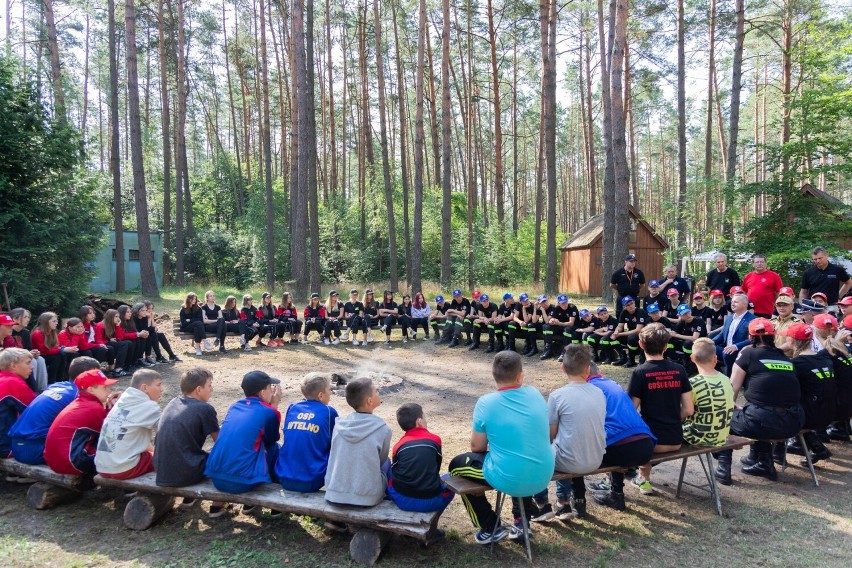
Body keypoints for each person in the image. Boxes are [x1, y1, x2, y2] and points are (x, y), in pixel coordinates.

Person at [448, 352, 554, 544]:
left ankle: (490, 525)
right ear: (520, 375)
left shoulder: (486, 403)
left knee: (456, 466)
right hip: (544, 473)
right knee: (515, 455)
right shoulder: (535, 394)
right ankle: (522, 521)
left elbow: (477, 447)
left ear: (493, 375)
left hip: (511, 475)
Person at [714, 319, 805, 482]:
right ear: (773, 336)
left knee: (727, 416)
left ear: (750, 337)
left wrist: (729, 407)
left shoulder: (748, 353)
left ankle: (723, 468)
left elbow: (731, 389)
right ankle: (764, 463)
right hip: (794, 422)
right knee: (755, 411)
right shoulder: (784, 356)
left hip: (765, 421)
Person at [531, 345, 606, 522]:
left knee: (538, 452)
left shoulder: (558, 396)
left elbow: (550, 435)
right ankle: (563, 502)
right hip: (596, 459)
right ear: (588, 369)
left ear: (563, 368)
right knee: (562, 447)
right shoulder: (599, 392)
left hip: (571, 462)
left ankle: (543, 505)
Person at [626, 324, 693, 495]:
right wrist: (673, 421)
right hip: (676, 439)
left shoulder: (640, 372)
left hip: (652, 442)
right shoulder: (679, 370)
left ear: (640, 345)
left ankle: (643, 479)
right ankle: (640, 475)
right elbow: (689, 410)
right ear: (666, 346)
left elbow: (630, 412)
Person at [586, 363, 657, 511]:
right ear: (600, 372)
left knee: (584, 450)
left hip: (623, 450)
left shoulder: (588, 390)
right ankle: (616, 494)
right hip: (646, 446)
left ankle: (575, 502)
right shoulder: (613, 384)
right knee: (616, 439)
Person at [153, 367, 223, 514]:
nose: (212, 389)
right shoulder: (205, 409)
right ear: (198, 389)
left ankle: (189, 498)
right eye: (209, 385)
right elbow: (221, 442)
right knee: (222, 455)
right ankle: (219, 502)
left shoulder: (173, 402)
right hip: (185, 473)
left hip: (161, 470)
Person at [8, 357, 98, 468]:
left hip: (17, 446)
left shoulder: (56, 386)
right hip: (35, 449)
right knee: (91, 434)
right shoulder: (77, 395)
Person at [204, 371, 282, 493]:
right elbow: (271, 439)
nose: (272, 392)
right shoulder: (269, 412)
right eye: (269, 388)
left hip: (216, 478)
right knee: (275, 448)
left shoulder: (234, 406)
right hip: (242, 483)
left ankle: (217, 505)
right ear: (262, 392)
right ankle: (274, 502)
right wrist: (274, 405)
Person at [324, 377, 392, 507]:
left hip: (334, 493)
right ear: (369, 401)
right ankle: (389, 503)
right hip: (368, 497)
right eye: (376, 391)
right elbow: (381, 461)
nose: (379, 393)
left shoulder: (339, 424)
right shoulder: (383, 428)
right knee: (388, 463)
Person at [43, 369, 121, 476]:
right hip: (71, 462)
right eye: (104, 387)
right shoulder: (93, 408)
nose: (109, 390)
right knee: (120, 446)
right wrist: (119, 407)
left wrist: (109, 406)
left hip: (56, 460)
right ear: (91, 390)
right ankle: (128, 487)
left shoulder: (81, 402)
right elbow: (114, 431)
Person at [275, 372, 339, 492]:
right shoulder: (329, 412)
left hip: (283, 477)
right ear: (320, 395)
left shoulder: (292, 407)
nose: (331, 393)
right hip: (312, 480)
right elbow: (335, 445)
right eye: (329, 390)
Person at [783, 323, 837, 464]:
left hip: (812, 417)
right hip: (830, 414)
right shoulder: (824, 357)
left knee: (778, 410)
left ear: (792, 341)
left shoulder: (795, 364)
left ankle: (774, 455)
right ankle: (818, 448)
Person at [95, 369, 163, 480]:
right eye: (159, 385)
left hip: (102, 466)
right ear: (145, 387)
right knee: (167, 459)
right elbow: (168, 432)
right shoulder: (149, 406)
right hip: (124, 468)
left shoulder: (121, 401)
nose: (162, 389)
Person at [387, 403, 454, 513]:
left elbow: (395, 471)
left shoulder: (398, 445)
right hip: (430, 500)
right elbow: (436, 467)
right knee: (450, 481)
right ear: (419, 421)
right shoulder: (435, 440)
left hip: (402, 500)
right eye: (424, 417)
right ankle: (434, 519)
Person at [683, 339, 734, 448]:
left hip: (696, 437)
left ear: (692, 358)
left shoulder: (692, 383)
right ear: (715, 358)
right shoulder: (726, 380)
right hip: (721, 437)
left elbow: (685, 411)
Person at [0, 348, 37, 458]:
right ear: (13, 365)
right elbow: (37, 410)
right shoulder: (12, 383)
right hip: (5, 447)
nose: (32, 366)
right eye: (28, 363)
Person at [713, 293, 756, 375]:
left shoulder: (753, 320)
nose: (732, 304)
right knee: (706, 348)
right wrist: (708, 342)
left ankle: (730, 379)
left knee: (727, 353)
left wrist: (736, 346)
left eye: (735, 302)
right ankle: (719, 375)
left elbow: (753, 340)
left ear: (744, 304)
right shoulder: (730, 318)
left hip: (741, 351)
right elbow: (722, 335)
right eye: (732, 302)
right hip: (726, 349)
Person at [7, 308, 49, 392]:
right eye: (25, 317)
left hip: (24, 356)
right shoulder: (8, 332)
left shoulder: (26, 332)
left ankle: (42, 389)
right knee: (32, 361)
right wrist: (28, 354)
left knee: (40, 359)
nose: (28, 319)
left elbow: (28, 348)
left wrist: (34, 352)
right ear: (15, 318)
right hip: (13, 358)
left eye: (29, 317)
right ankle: (31, 389)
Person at [95, 309, 134, 378]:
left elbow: (120, 338)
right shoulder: (100, 325)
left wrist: (118, 326)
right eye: (116, 317)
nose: (118, 319)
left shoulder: (114, 325)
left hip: (109, 343)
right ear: (110, 317)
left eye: (118, 317)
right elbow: (98, 340)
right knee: (123, 344)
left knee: (129, 343)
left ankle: (127, 366)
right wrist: (108, 341)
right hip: (103, 345)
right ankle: (118, 369)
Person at [611, 296, 648, 368]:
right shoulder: (624, 312)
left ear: (634, 303)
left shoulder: (641, 312)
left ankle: (634, 360)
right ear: (624, 307)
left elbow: (638, 330)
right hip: (630, 334)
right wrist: (616, 332)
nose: (631, 306)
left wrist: (620, 334)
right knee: (611, 337)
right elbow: (620, 326)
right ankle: (623, 358)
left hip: (642, 335)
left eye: (631, 303)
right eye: (628, 305)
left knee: (631, 338)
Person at [670, 304, 707, 373]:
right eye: (684, 314)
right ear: (679, 315)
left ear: (690, 311)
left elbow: (694, 338)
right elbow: (674, 332)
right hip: (685, 344)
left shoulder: (698, 321)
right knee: (669, 340)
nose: (687, 315)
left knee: (688, 343)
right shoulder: (681, 322)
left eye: (688, 312)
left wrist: (677, 335)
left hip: (699, 345)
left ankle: (689, 366)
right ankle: (672, 360)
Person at [541, 295, 578, 361]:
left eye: (565, 302)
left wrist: (559, 323)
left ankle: (565, 352)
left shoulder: (572, 307)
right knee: (547, 327)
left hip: (572, 327)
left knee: (567, 329)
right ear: (558, 303)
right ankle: (548, 350)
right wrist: (551, 321)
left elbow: (571, 323)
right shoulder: (556, 308)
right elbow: (549, 320)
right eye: (562, 303)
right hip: (561, 326)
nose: (564, 304)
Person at [31, 312, 64, 383]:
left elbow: (55, 346)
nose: (56, 323)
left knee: (63, 355)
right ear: (46, 322)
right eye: (54, 321)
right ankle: (50, 382)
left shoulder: (52, 332)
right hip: (40, 355)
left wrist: (62, 350)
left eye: (57, 321)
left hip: (47, 354)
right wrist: (62, 349)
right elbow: (45, 351)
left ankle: (60, 381)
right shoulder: (37, 333)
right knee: (57, 357)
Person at [611, 254, 646, 318]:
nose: (633, 263)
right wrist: (619, 289)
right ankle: (620, 327)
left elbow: (643, 284)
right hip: (622, 297)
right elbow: (612, 284)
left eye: (634, 261)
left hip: (634, 297)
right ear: (625, 262)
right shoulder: (618, 273)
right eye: (631, 261)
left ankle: (634, 327)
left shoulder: (639, 272)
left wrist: (636, 289)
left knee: (635, 317)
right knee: (620, 315)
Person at [118, 305, 151, 371]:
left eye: (130, 312)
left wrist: (143, 333)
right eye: (128, 312)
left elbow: (134, 330)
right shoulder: (119, 322)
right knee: (132, 341)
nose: (130, 313)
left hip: (129, 338)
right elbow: (122, 336)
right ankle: (128, 365)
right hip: (120, 341)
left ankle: (134, 362)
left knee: (139, 338)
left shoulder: (130, 320)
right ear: (122, 313)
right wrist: (138, 334)